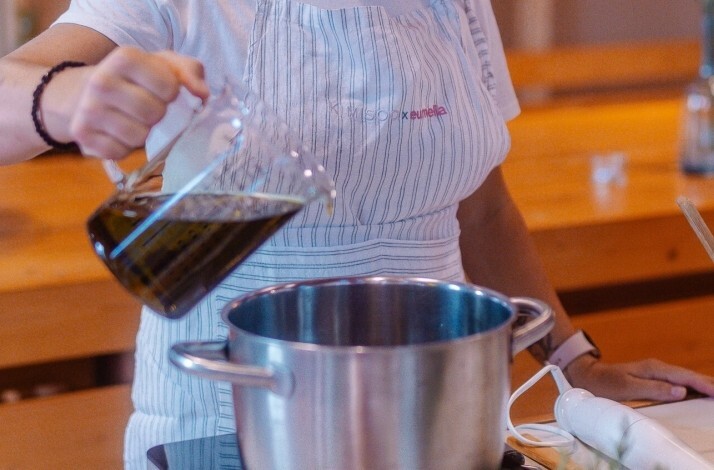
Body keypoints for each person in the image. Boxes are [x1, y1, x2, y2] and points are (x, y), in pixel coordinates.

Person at [2, 0, 714, 468]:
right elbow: (17, 79)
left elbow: (483, 208)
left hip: (442, 419)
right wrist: (64, 100)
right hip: (240, 418)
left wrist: (574, 363)